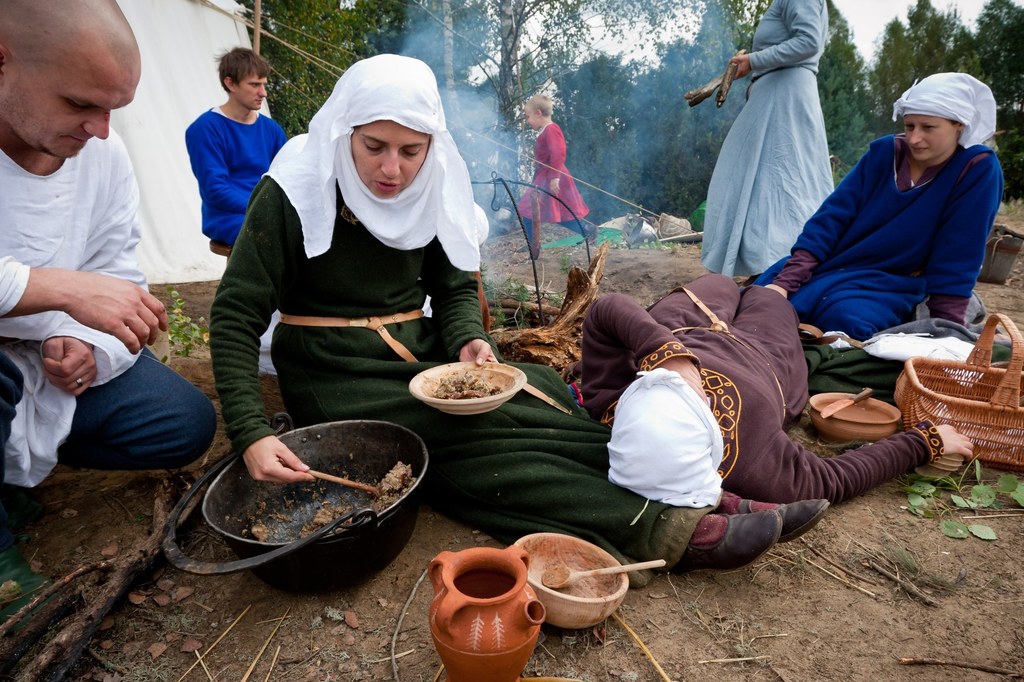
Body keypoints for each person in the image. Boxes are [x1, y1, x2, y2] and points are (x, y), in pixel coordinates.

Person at [210, 54, 826, 585]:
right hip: (333, 368)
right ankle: (670, 528)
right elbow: (236, 314)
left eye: (410, 151)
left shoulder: (431, 182)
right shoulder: (295, 188)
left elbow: (451, 286)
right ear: (346, 133)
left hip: (417, 348)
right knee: (463, 444)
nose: (391, 169)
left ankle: (691, 486)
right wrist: (251, 431)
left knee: (535, 394)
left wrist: (470, 339)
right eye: (373, 147)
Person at [0, 0, 217, 620]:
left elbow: (115, 268)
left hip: (41, 357)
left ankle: (14, 471)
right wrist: (63, 292)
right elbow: (80, 285)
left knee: (182, 422)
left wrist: (81, 343)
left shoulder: (103, 153)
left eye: (111, 110)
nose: (98, 129)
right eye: (78, 104)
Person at [580, 273, 975, 506]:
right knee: (770, 297)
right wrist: (926, 442)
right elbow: (834, 480)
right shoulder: (755, 467)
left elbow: (606, 309)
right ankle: (767, 289)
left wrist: (666, 353)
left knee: (717, 281)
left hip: (685, 326)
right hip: (767, 356)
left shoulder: (611, 404)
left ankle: (745, 286)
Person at [755, 72, 1004, 340]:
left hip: (892, 282)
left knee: (845, 320)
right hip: (831, 264)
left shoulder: (975, 169)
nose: (915, 138)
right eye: (909, 126)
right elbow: (831, 218)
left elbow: (959, 251)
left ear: (959, 125)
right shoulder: (885, 153)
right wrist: (786, 282)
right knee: (760, 303)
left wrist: (945, 330)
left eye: (928, 127)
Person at [700, 0, 833, 277]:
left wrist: (755, 61)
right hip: (778, 93)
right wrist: (754, 73)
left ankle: (785, 265)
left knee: (782, 182)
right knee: (764, 182)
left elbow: (809, 42)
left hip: (785, 98)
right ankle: (770, 266)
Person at [185, 47, 288, 247]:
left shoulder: (272, 130)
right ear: (230, 83)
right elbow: (215, 190)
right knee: (273, 238)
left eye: (264, 84)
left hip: (268, 212)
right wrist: (263, 209)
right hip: (227, 217)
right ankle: (242, 279)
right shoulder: (205, 129)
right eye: (255, 85)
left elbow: (288, 178)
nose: (263, 93)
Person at [516, 94, 590, 246]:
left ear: (538, 113)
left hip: (552, 176)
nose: (528, 121)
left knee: (527, 208)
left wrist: (555, 177)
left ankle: (533, 245)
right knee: (559, 212)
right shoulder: (546, 131)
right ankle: (587, 229)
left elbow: (559, 152)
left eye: (528, 116)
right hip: (546, 176)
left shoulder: (551, 129)